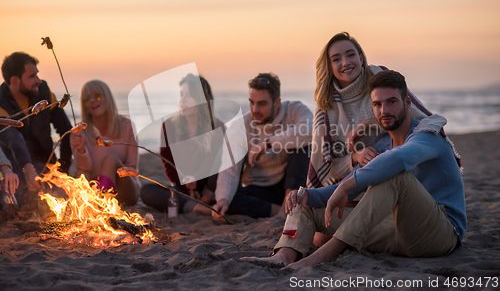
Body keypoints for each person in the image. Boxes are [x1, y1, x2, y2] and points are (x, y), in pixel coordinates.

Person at [242, 70, 466, 267]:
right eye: (377, 104)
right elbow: (345, 185)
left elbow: (400, 159)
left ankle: (321, 256)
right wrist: (307, 194)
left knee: (395, 177)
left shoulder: (428, 135)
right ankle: (284, 255)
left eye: (391, 102)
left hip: (441, 233)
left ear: (407, 103)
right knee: (306, 202)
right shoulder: (381, 145)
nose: (384, 110)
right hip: (397, 229)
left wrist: (347, 185)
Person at [306, 31, 431, 246]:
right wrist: (355, 156)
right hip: (356, 180)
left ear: (361, 58)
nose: (345, 63)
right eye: (336, 59)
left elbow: (413, 118)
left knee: (333, 237)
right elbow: (330, 167)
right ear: (329, 66)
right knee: (319, 238)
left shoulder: (378, 77)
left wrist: (369, 123)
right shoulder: (326, 107)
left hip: (394, 171)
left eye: (350, 55)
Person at [212, 73, 313, 219]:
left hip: (291, 185)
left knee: (301, 143)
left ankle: (287, 206)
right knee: (230, 199)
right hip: (261, 189)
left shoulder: (295, 110)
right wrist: (223, 200)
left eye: (262, 104)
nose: (255, 109)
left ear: (277, 102)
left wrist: (268, 143)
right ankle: (281, 211)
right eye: (251, 102)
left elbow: (310, 131)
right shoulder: (241, 125)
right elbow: (230, 169)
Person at [141, 74, 224, 214]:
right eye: (181, 94)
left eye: (189, 95)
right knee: (146, 191)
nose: (182, 100)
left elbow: (216, 164)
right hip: (182, 188)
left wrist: (204, 194)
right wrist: (188, 188)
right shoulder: (169, 126)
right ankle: (195, 207)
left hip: (210, 189)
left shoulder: (217, 126)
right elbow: (168, 163)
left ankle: (199, 204)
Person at [0, 52, 72, 204]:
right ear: (15, 81)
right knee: (13, 201)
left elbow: (66, 130)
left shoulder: (44, 93)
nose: (39, 81)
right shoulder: (1, 102)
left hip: (46, 165)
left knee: (66, 197)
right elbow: (13, 138)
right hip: (16, 168)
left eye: (37, 75)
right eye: (32, 76)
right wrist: (28, 169)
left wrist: (63, 169)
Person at [70, 80, 139, 206]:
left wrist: (109, 172)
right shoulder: (81, 131)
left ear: (107, 97)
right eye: (86, 99)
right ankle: (91, 203)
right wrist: (81, 150)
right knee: (80, 174)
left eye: (97, 95)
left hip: (125, 189)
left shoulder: (127, 125)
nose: (92, 100)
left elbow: (132, 166)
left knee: (111, 160)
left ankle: (98, 203)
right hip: (94, 187)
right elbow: (84, 170)